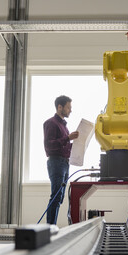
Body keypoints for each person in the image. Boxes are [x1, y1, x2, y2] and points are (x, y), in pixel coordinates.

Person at [43, 95, 79, 225]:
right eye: (68, 107)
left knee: (59, 198)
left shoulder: (64, 126)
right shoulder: (50, 123)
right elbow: (49, 145)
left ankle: (51, 227)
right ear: (60, 107)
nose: (70, 110)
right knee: (56, 196)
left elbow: (64, 144)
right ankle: (49, 228)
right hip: (56, 162)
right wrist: (68, 138)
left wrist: (77, 144)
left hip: (64, 163)